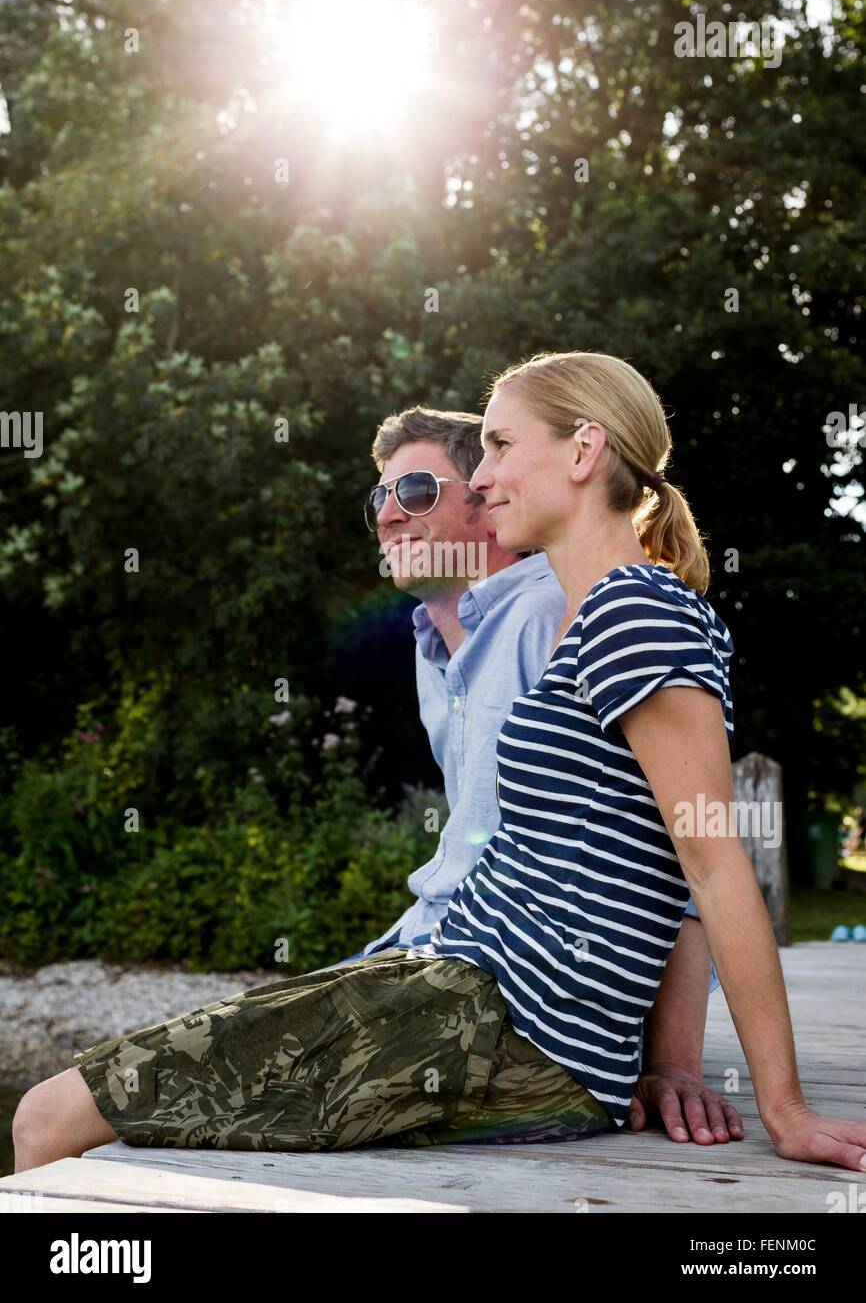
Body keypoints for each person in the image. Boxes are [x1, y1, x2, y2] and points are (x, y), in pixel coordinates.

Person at [13, 351, 866, 1173]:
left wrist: (779, 1107)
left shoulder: (635, 611)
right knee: (75, 1115)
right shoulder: (591, 614)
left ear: (584, 449)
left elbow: (713, 864)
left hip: (500, 1028)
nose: (484, 476)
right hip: (463, 996)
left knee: (47, 1116)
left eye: (499, 446)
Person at [327, 402, 735, 1146]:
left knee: (116, 1108)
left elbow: (682, 850)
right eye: (378, 499)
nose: (388, 516)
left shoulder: (560, 615)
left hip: (531, 1004)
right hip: (439, 950)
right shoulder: (433, 646)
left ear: (486, 501)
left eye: (414, 492)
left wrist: (674, 1064)